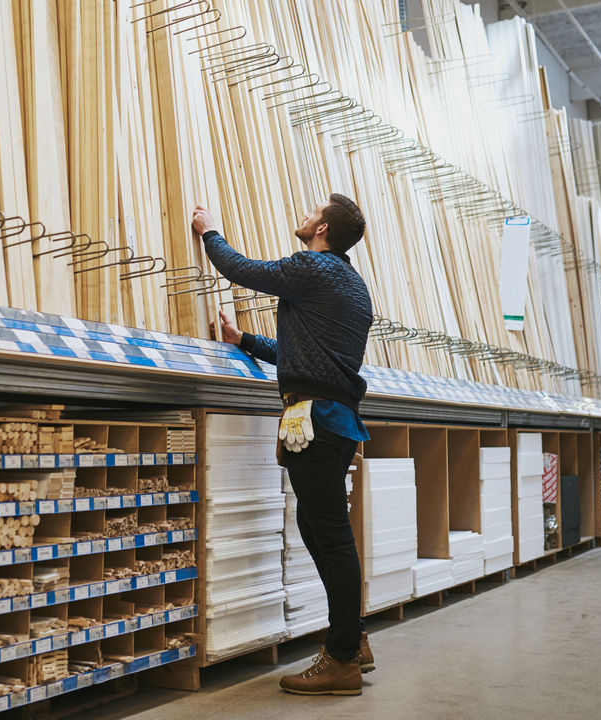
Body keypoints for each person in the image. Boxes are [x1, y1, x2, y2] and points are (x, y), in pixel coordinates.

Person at [191, 195, 374, 696]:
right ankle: (352, 640)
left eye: (313, 212)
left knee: (331, 536)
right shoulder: (352, 286)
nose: (305, 214)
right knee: (317, 527)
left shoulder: (312, 267)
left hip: (315, 422)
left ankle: (341, 660)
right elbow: (304, 355)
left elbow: (240, 269)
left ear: (324, 230)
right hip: (334, 423)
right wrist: (245, 341)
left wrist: (209, 231)